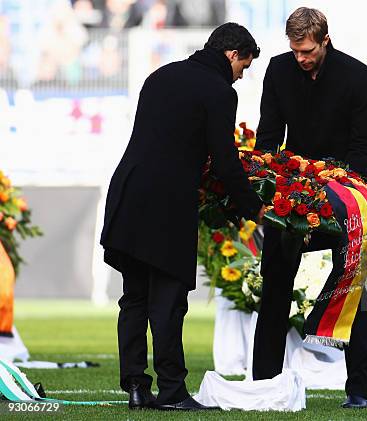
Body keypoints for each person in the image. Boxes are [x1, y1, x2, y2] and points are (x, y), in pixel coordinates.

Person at [100, 22, 265, 411]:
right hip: (168, 203)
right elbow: (225, 161)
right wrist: (252, 208)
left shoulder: (160, 76)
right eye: (243, 66)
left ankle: (137, 388)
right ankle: (173, 390)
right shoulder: (219, 91)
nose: (241, 76)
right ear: (231, 55)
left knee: (134, 297)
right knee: (169, 300)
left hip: (128, 192)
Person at [252, 7, 367, 409]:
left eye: (306, 50)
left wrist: (344, 186)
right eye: (294, 50)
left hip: (346, 194)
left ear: (325, 40)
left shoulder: (358, 76)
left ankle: (358, 389)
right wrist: (265, 190)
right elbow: (269, 136)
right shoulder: (278, 70)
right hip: (292, 195)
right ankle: (264, 384)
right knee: (274, 286)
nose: (300, 57)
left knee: (351, 287)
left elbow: (364, 145)